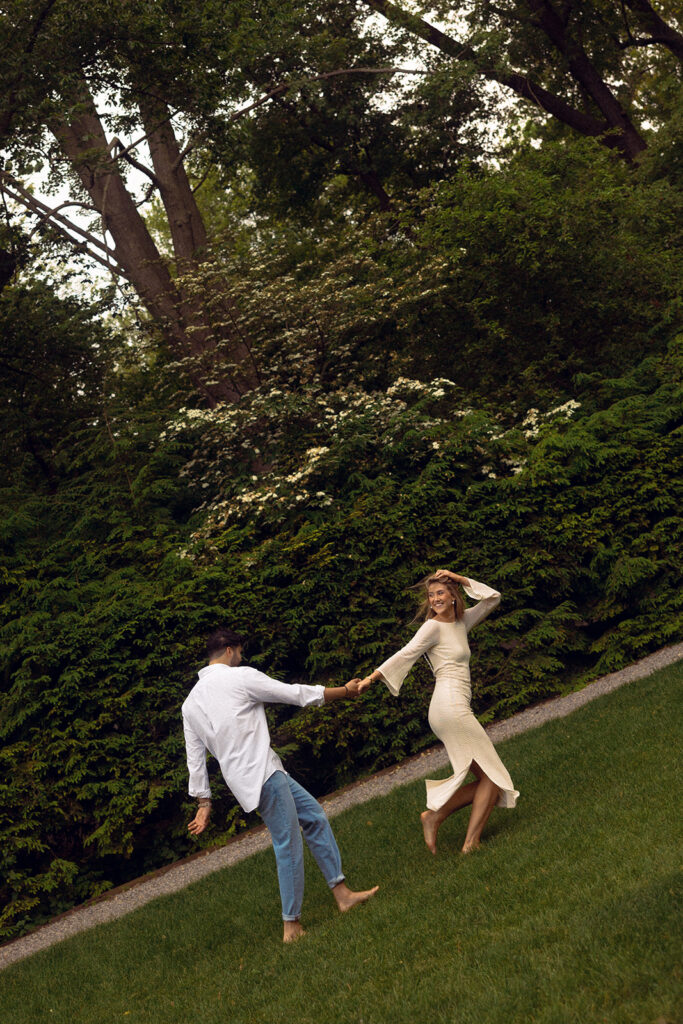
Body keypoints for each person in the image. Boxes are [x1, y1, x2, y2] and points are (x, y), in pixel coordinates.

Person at [182, 626, 379, 943]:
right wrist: (344, 691)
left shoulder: (190, 704)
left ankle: (342, 895)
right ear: (231, 650)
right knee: (287, 844)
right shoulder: (240, 677)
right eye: (240, 651)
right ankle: (291, 926)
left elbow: (195, 758)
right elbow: (294, 694)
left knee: (313, 816)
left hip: (261, 774)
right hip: (262, 775)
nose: (241, 656)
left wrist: (204, 804)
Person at [358, 570, 518, 854]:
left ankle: (435, 816)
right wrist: (372, 679)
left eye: (440, 593)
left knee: (489, 779)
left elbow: (493, 597)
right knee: (492, 776)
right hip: (450, 707)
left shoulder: (461, 622)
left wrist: (460, 577)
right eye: (431, 596)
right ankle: (469, 842)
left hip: (454, 706)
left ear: (453, 595)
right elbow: (405, 654)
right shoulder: (431, 628)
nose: (435, 600)